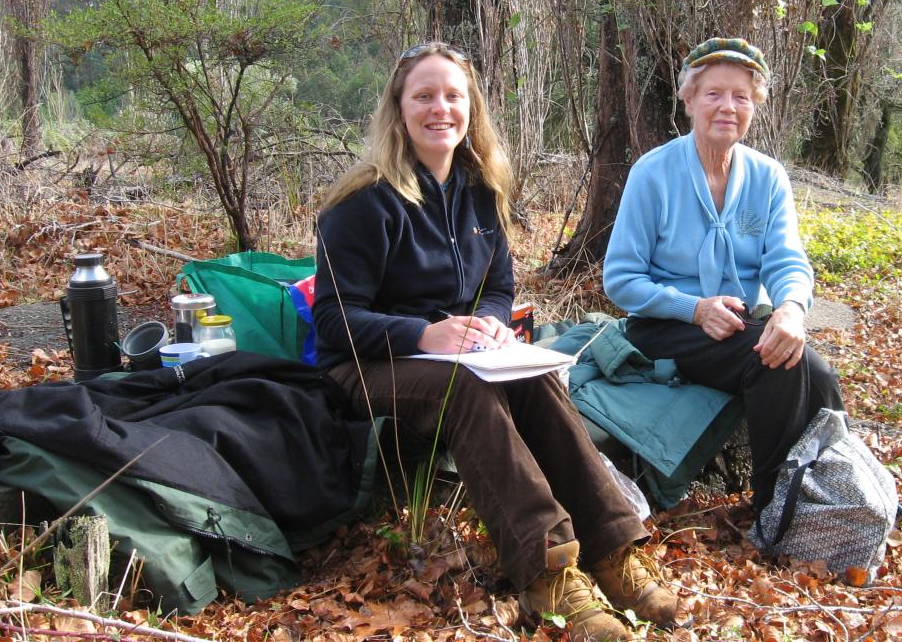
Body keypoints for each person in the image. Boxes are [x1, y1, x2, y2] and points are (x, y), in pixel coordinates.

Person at [313, 42, 678, 641]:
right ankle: (548, 572)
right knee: (465, 387)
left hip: (459, 355)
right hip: (367, 365)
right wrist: (424, 332)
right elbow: (332, 318)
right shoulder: (363, 203)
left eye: (454, 96)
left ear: (471, 108)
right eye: (424, 96)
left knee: (533, 375)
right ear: (399, 109)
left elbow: (499, 286)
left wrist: (488, 321)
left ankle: (613, 552)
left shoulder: (479, 189)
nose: (440, 109)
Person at [604, 37, 845, 515]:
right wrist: (693, 308)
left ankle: (835, 493)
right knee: (775, 365)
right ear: (689, 100)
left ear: (754, 105)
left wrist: (793, 309)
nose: (727, 107)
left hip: (738, 322)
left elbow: (786, 259)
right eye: (713, 94)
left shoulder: (767, 176)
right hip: (663, 327)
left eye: (741, 96)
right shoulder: (652, 174)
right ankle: (775, 510)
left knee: (818, 373)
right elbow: (621, 279)